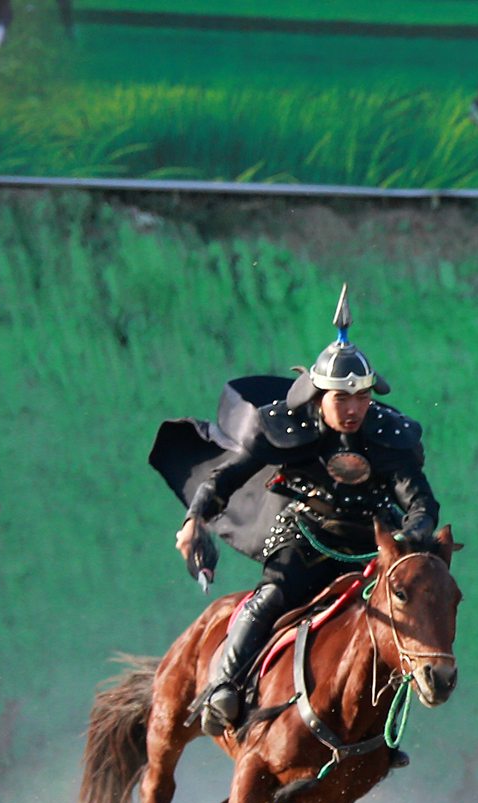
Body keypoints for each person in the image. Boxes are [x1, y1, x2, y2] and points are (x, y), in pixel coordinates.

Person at [150, 286, 440, 738]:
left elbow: (421, 501)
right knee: (271, 597)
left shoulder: (389, 435)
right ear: (319, 393)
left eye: (361, 397)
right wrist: (194, 521)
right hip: (305, 540)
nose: (353, 409)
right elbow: (224, 479)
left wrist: (415, 536)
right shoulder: (288, 427)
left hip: (368, 548)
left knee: (406, 620)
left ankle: (380, 733)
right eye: (341, 398)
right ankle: (223, 687)